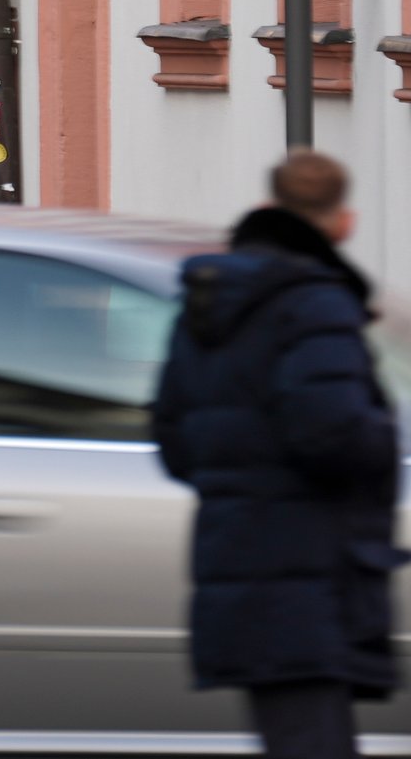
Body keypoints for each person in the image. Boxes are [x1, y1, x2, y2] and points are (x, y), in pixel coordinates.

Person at [153, 151, 406, 759]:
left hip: (240, 562)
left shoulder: (209, 303)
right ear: (344, 222)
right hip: (311, 572)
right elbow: (334, 433)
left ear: (267, 208)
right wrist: (386, 437)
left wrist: (236, 476)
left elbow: (175, 437)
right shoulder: (316, 304)